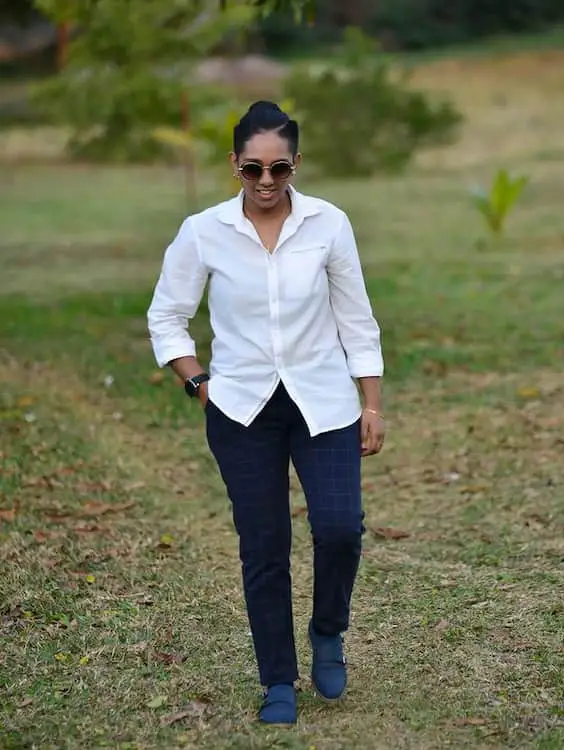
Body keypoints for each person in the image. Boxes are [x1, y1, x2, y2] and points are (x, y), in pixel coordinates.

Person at [147, 100, 385, 726]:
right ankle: (278, 679)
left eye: (280, 168)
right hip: (241, 408)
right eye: (252, 169)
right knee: (265, 544)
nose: (267, 182)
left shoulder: (330, 224)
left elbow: (356, 318)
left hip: (325, 402)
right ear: (234, 165)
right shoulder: (203, 231)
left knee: (340, 528)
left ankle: (328, 629)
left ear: (296, 164)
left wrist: (371, 402)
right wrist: (198, 382)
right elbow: (166, 315)